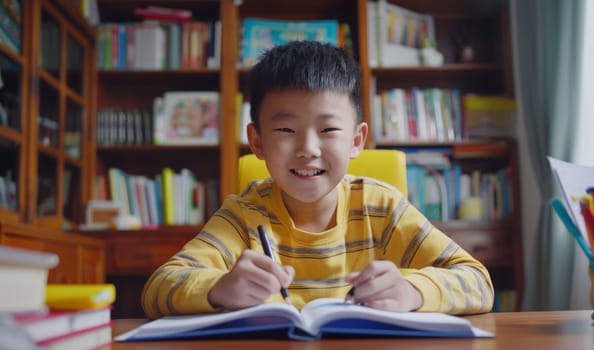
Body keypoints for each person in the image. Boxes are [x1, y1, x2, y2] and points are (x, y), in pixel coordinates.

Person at [141, 41, 494, 319]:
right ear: (258, 142)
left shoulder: (380, 207)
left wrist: (412, 291)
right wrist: (220, 287)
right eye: (285, 129)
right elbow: (157, 289)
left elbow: (478, 282)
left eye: (328, 129)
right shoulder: (244, 214)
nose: (308, 149)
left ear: (356, 140)